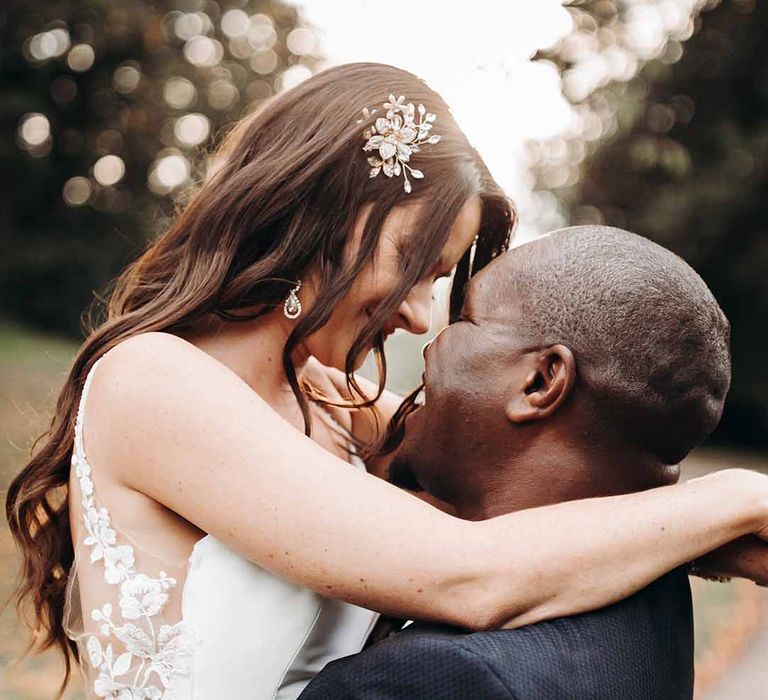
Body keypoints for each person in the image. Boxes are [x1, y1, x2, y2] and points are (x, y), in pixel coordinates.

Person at [5, 64, 768, 700]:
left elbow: (531, 483)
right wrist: (732, 499)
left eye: (439, 281)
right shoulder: (156, 385)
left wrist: (717, 543)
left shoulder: (329, 398)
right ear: (322, 215)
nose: (417, 316)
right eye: (417, 265)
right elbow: (467, 576)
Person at [298, 225, 743, 699]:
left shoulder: (439, 678)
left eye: (465, 319)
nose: (431, 342)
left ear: (541, 382)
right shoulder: (652, 585)